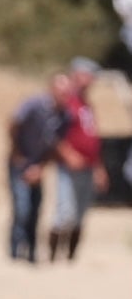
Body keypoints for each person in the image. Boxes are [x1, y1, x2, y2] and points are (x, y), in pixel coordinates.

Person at [48, 57, 108, 262]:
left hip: (88, 167)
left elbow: (93, 139)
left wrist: (99, 167)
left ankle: (71, 258)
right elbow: (53, 134)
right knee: (65, 212)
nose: (91, 80)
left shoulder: (86, 105)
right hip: (69, 167)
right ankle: (53, 257)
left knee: (81, 214)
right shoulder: (67, 103)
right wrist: (68, 154)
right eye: (87, 75)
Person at [7, 73, 70, 263]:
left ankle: (32, 250)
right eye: (61, 91)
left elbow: (55, 146)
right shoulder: (34, 104)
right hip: (19, 163)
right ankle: (16, 250)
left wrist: (40, 167)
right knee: (21, 207)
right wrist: (17, 152)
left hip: (38, 165)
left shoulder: (65, 116)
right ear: (52, 89)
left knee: (36, 209)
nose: (64, 95)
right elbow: (13, 123)